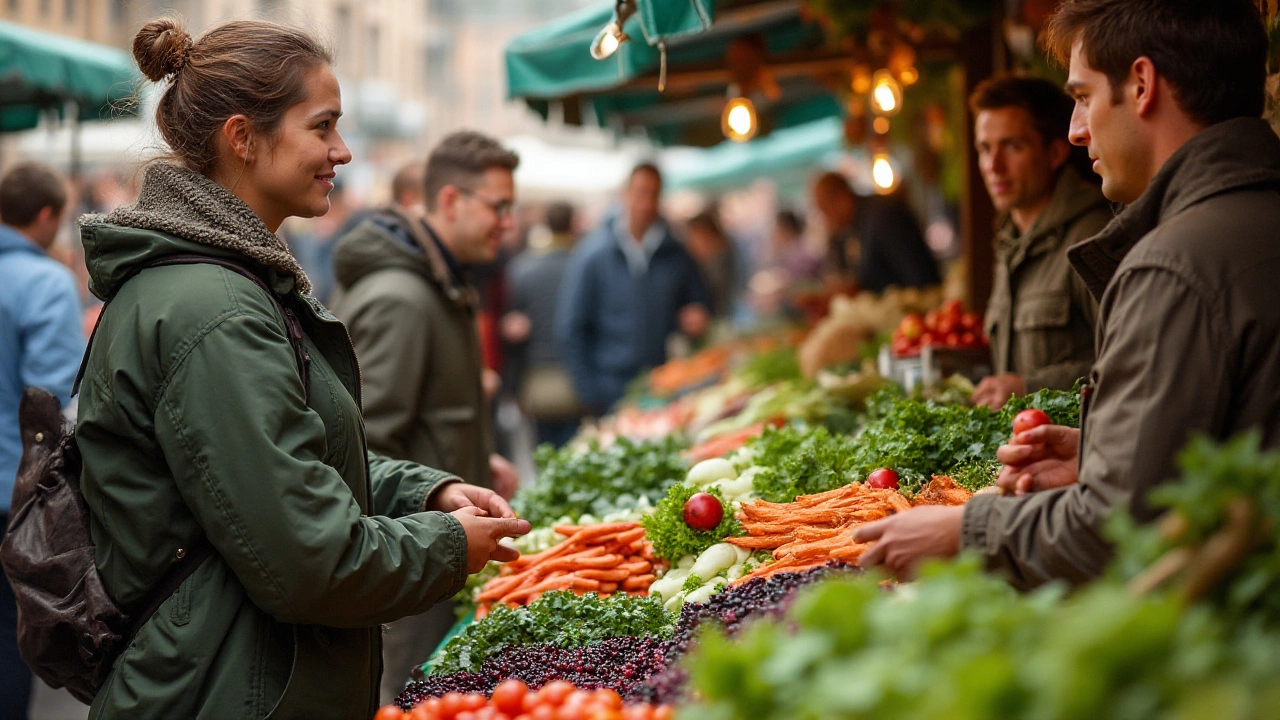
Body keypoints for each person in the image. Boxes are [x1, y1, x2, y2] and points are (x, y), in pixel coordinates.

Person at [75, 19, 528, 719]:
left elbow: (297, 465)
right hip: (223, 692)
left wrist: (426, 494)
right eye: (322, 127)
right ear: (243, 138)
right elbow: (308, 561)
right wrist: (446, 546)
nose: (341, 151)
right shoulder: (215, 310)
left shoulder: (235, 286)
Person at [854, 0, 1280, 590]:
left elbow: (1112, 531)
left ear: (1140, 84)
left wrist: (962, 530)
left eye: (1082, 97)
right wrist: (1104, 452)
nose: (1077, 131)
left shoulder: (1173, 265)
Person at [331, 132, 523, 699]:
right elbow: (358, 451)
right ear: (449, 202)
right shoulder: (403, 298)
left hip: (433, 560)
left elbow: (421, 417)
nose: (507, 223)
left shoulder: (440, 284)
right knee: (405, 699)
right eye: (498, 206)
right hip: (409, 584)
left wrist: (468, 453)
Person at [968, 75, 1112, 409]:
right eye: (984, 149)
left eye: (1012, 146)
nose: (993, 166)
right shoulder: (1009, 241)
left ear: (1055, 152)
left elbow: (1131, 362)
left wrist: (1030, 387)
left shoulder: (1092, 238)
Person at [0, 163, 84, 720]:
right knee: (11, 633)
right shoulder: (45, 282)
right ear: (47, 216)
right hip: (11, 489)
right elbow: (50, 395)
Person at [557, 163, 711, 414]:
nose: (646, 203)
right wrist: (588, 392)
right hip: (609, 388)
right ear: (624, 193)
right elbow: (571, 328)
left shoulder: (677, 254)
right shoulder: (592, 255)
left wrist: (697, 317)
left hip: (664, 386)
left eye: (654, 194)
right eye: (640, 192)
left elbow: (699, 303)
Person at [504, 202, 584, 448]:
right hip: (577, 378)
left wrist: (514, 387)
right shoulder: (583, 266)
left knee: (544, 453)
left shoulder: (522, 268)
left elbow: (515, 333)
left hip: (536, 378)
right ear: (572, 225)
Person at [812, 171, 940, 293]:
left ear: (840, 199)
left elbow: (919, 276)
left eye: (825, 210)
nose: (826, 219)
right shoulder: (855, 225)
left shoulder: (882, 216)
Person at [685, 211, 740, 319]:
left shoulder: (722, 257)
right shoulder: (693, 258)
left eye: (695, 235)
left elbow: (716, 288)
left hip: (720, 314)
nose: (692, 241)